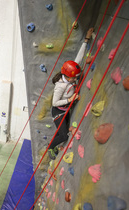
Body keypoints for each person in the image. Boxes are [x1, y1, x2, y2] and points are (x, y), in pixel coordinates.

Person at [48, 28, 94, 160]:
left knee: (64, 131)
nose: (76, 79)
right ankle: (50, 148)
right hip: (58, 111)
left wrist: (86, 40)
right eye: (74, 78)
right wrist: (70, 100)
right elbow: (54, 103)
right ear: (68, 77)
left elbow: (78, 60)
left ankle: (55, 145)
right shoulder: (60, 87)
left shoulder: (69, 74)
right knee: (63, 135)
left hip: (65, 109)